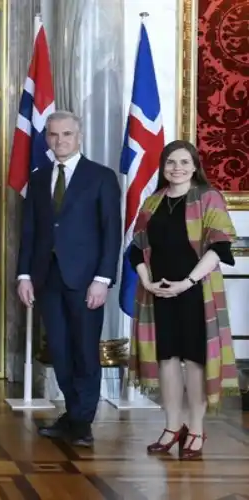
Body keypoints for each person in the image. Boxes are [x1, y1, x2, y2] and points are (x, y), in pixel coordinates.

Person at [16, 110, 122, 447]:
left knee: (85, 351)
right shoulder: (37, 177)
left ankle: (83, 421)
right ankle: (73, 414)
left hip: (86, 280)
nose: (59, 141)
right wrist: (24, 275)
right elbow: (29, 231)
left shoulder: (101, 177)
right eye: (53, 135)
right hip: (47, 278)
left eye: (66, 135)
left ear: (79, 137)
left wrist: (103, 279)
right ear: (46, 138)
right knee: (59, 351)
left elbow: (111, 234)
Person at [128, 140, 238, 460]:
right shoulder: (153, 201)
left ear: (194, 165)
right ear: (163, 167)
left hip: (195, 293)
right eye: (170, 162)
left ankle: (196, 428)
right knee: (166, 360)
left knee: (193, 360)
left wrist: (187, 282)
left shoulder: (208, 197)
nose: (177, 168)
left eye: (184, 162)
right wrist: (147, 281)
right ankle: (171, 426)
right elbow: (136, 248)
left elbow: (219, 248)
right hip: (158, 293)